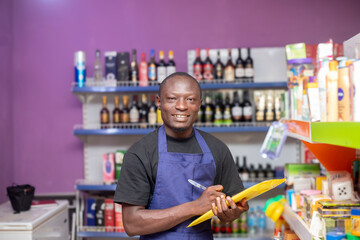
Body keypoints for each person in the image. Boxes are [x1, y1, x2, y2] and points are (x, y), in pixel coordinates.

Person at [114, 72, 249, 239]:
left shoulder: (217, 149)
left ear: (199, 104)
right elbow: (132, 224)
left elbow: (233, 206)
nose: (182, 106)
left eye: (190, 99)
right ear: (158, 102)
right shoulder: (140, 153)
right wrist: (195, 207)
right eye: (172, 98)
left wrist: (229, 214)